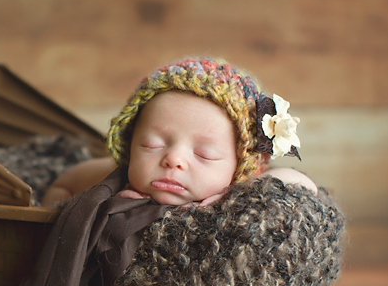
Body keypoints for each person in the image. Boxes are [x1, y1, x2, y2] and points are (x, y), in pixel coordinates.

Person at [42, 58, 317, 208]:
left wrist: (240, 195)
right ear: (129, 143)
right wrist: (71, 215)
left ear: (241, 166)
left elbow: (304, 186)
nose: (173, 159)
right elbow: (63, 184)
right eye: (151, 145)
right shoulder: (115, 178)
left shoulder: (241, 186)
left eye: (204, 154)